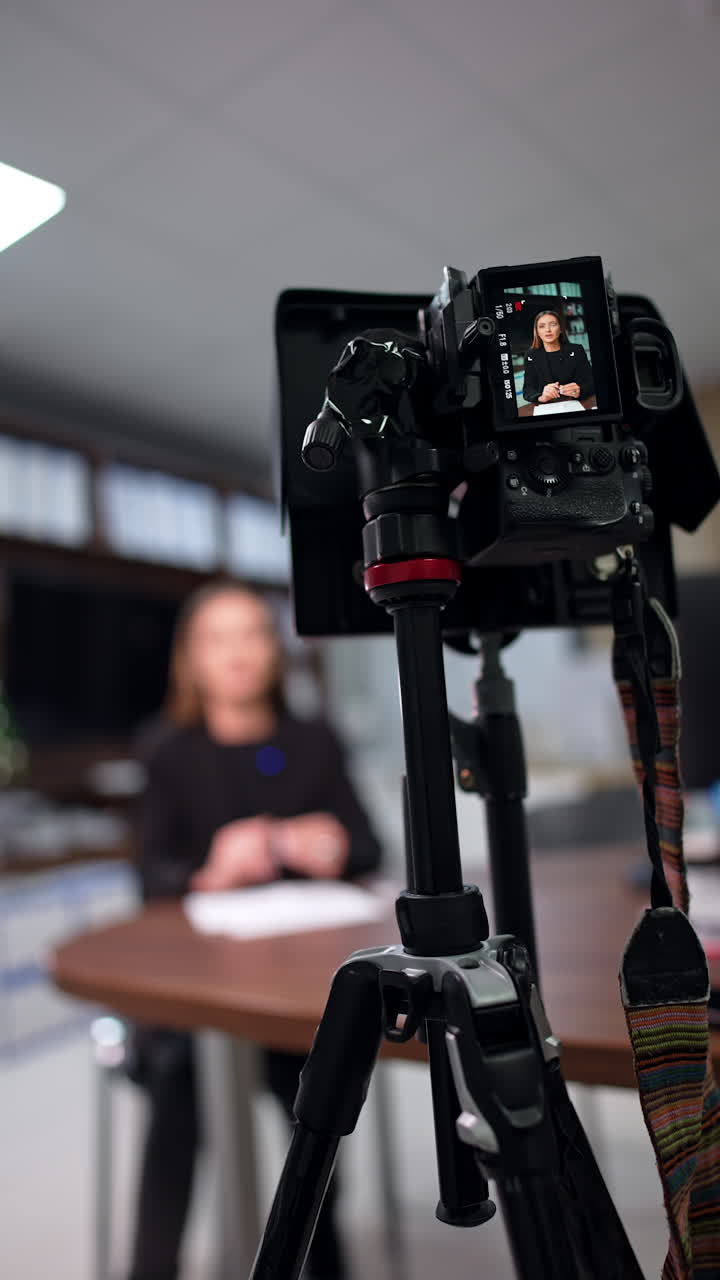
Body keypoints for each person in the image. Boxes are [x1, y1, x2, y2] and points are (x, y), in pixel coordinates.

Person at [127, 581, 382, 1280]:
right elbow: (152, 877)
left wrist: (331, 844)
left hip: (297, 992)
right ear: (191, 658)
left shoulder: (313, 739)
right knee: (182, 1081)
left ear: (276, 650)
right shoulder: (166, 750)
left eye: (253, 634)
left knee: (318, 1098)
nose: (237, 654)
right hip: (196, 991)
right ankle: (150, 1267)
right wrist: (210, 869)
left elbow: (370, 849)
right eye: (218, 638)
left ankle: (321, 1259)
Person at [521, 309, 595, 415]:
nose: (548, 330)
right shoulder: (531, 355)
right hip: (546, 410)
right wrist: (541, 397)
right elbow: (528, 389)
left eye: (553, 325)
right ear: (537, 332)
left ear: (560, 329)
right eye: (542, 326)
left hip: (577, 406)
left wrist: (580, 391)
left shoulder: (577, 350)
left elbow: (591, 382)